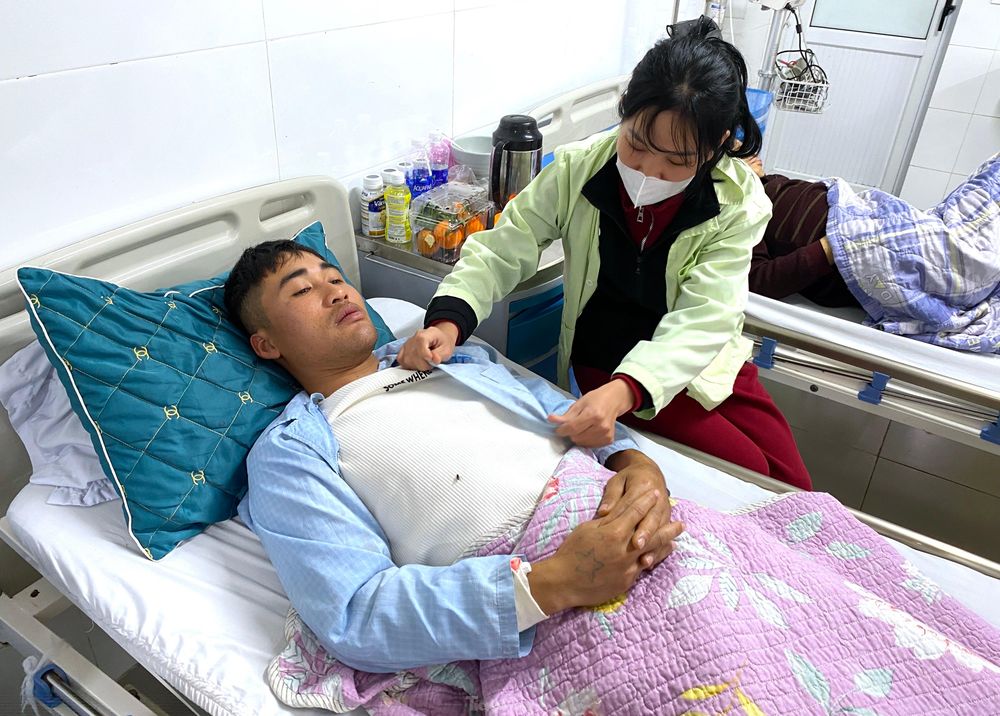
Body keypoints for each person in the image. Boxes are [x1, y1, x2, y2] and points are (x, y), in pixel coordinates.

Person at [222, 239, 685, 673]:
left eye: (335, 278)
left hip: (634, 514)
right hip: (550, 585)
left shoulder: (455, 359)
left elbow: (575, 417)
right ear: (267, 344)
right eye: (303, 290)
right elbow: (356, 611)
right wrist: (557, 581)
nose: (337, 292)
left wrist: (634, 463)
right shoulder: (290, 451)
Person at [399, 18, 811, 490]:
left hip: (700, 360)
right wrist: (448, 321)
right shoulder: (579, 169)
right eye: (636, 144)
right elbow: (504, 246)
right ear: (624, 112)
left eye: (676, 161)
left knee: (793, 482)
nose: (648, 171)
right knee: (754, 480)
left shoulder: (737, 202)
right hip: (608, 364)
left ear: (716, 146)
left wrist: (627, 391)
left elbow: (707, 317)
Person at [741, 153, 862, 308]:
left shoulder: (773, 181)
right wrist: (832, 245)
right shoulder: (741, 207)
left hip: (858, 216)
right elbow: (758, 279)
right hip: (849, 250)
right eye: (730, 149)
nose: (748, 150)